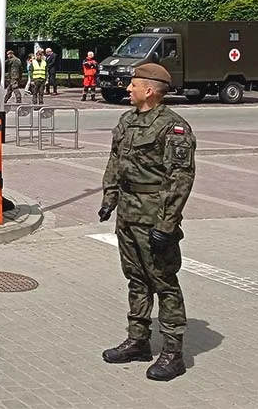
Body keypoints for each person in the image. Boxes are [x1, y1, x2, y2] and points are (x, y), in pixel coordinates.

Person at [98, 63, 196, 382]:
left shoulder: (173, 127)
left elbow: (180, 178)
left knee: (163, 281)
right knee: (136, 278)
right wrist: (109, 198)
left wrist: (166, 224)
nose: (128, 89)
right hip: (128, 213)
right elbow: (116, 160)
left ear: (149, 90)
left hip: (154, 215)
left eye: (134, 85)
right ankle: (138, 341)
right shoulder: (127, 120)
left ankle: (172, 353)